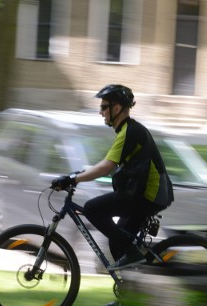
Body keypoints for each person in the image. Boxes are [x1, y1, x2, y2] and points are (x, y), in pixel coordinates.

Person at [52, 84, 174, 271]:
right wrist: (76, 175)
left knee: (92, 209)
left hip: (147, 196)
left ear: (116, 108)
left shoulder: (130, 132)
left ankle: (133, 254)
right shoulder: (128, 130)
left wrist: (73, 180)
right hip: (148, 195)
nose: (101, 112)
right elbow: (106, 162)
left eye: (103, 107)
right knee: (118, 242)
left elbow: (106, 167)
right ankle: (129, 295)